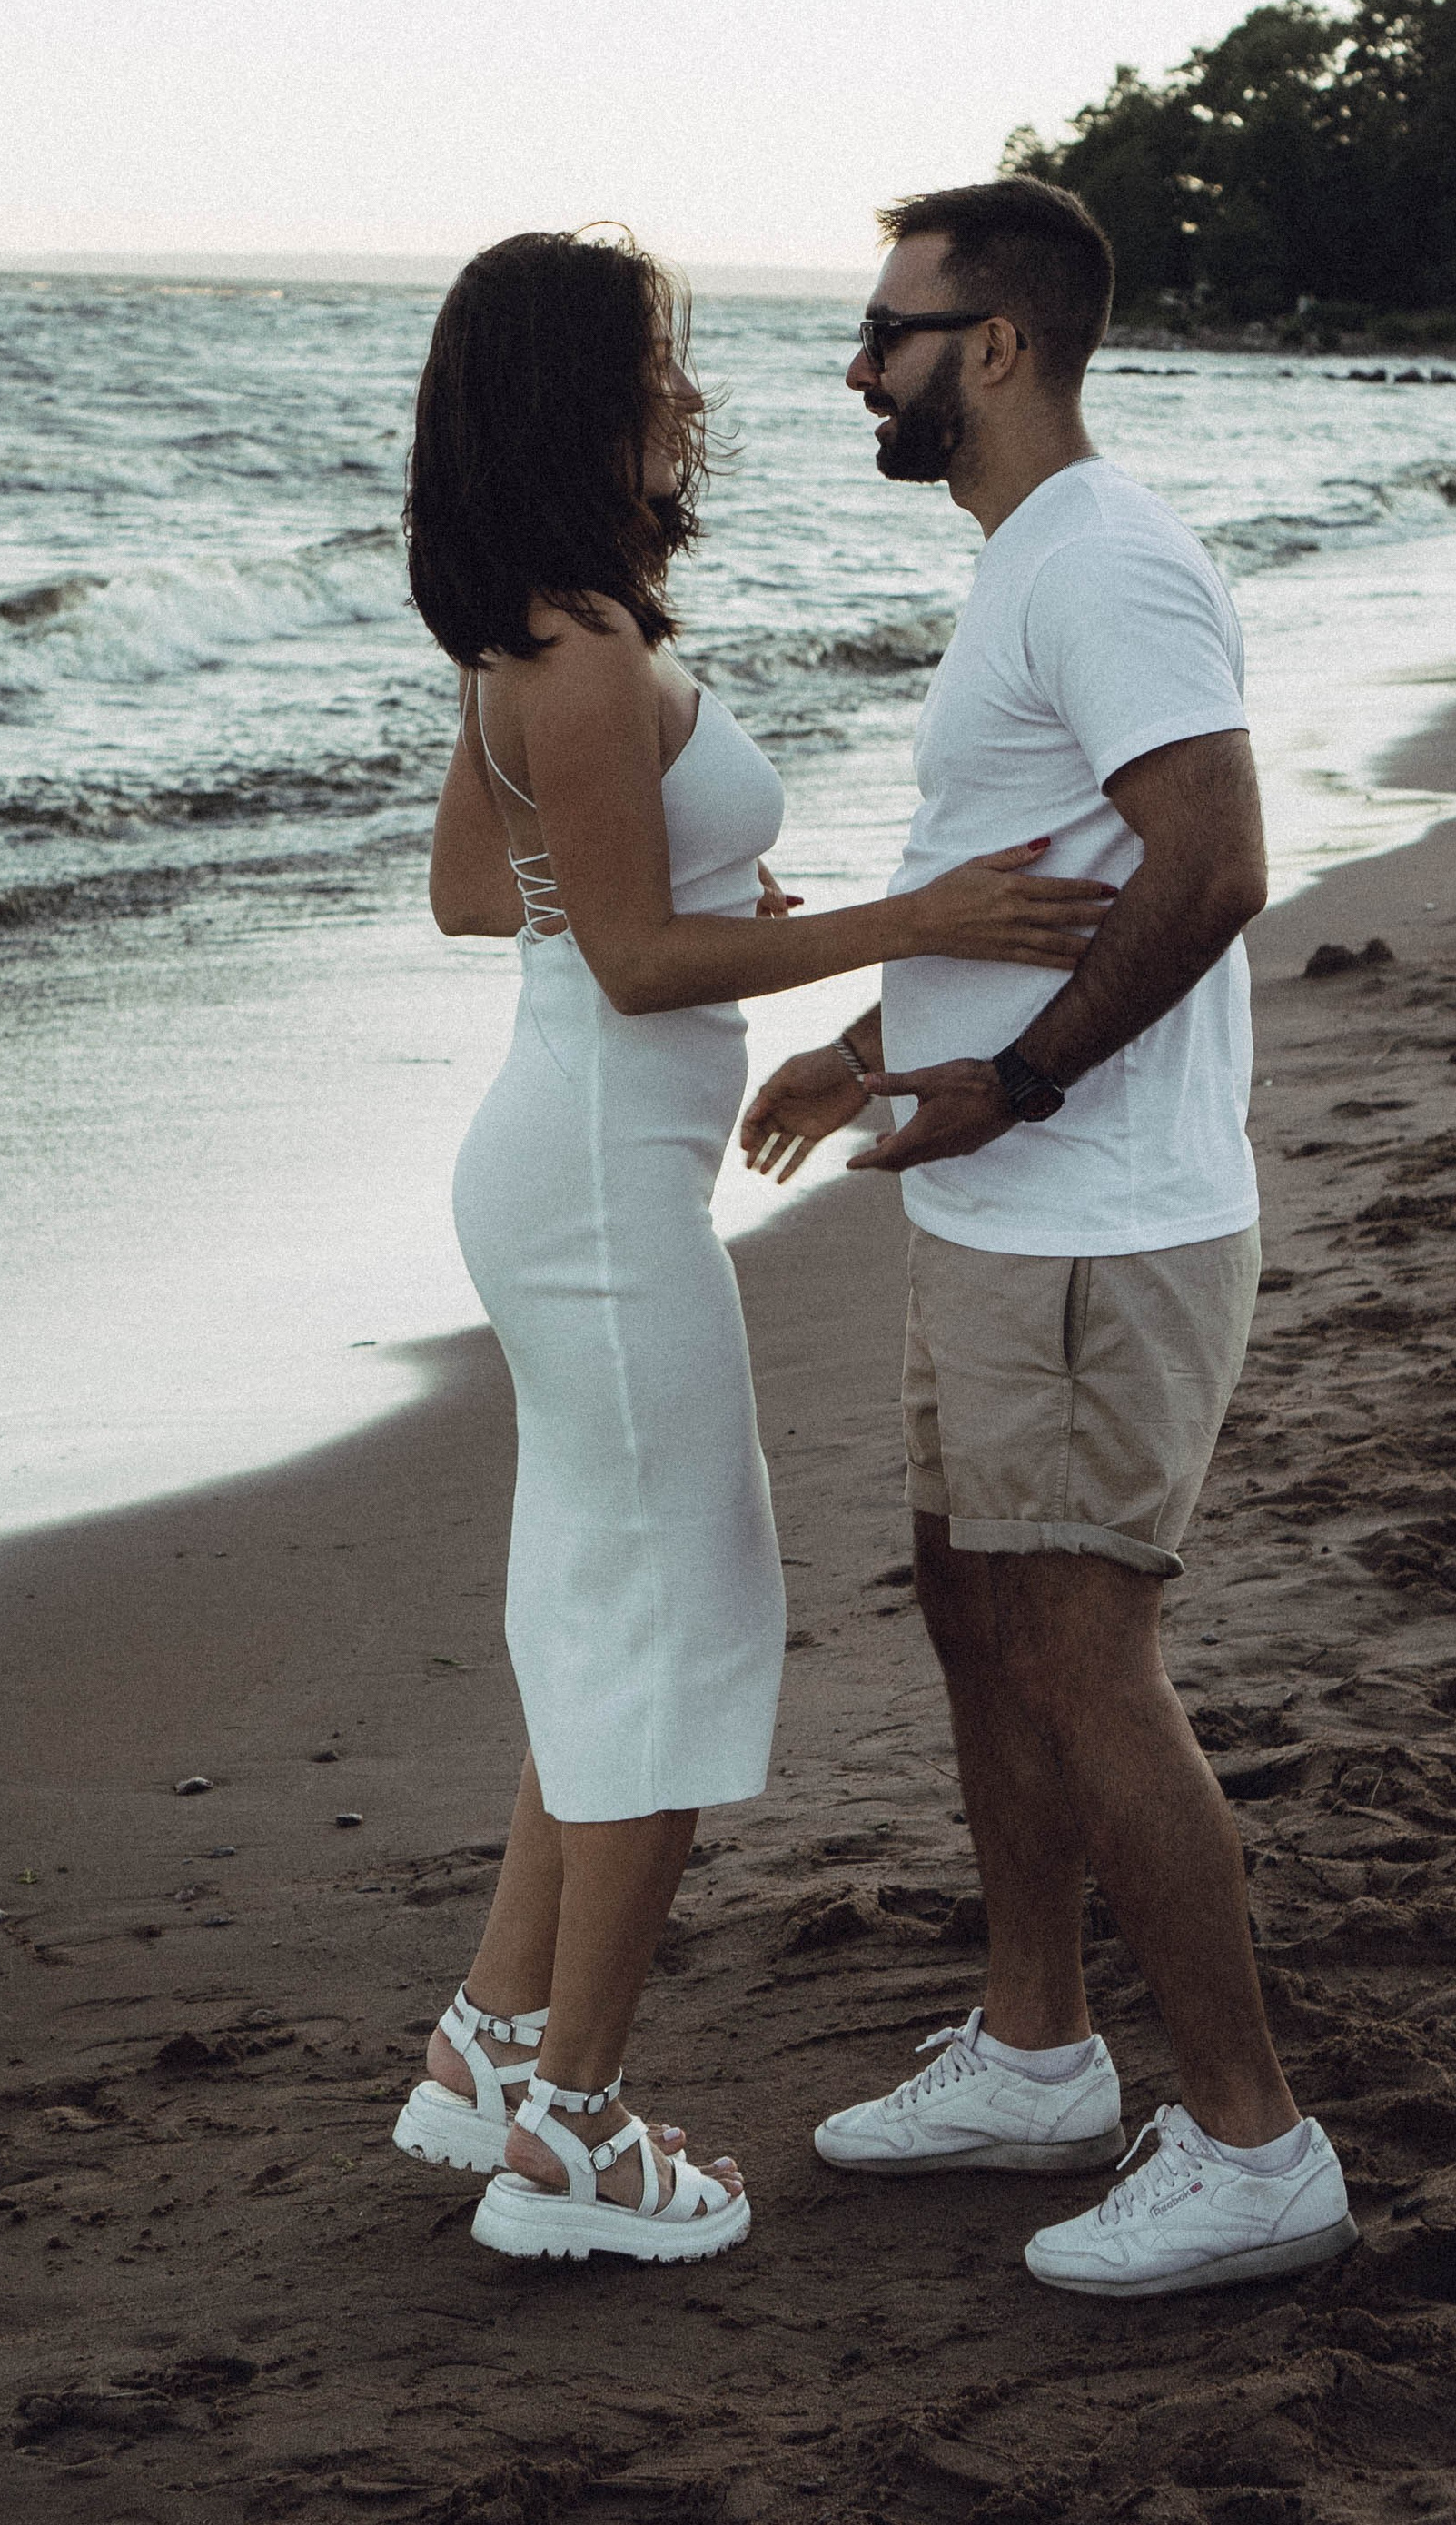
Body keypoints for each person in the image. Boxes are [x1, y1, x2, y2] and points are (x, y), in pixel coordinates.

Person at [391, 226, 1111, 2268]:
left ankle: (484, 2048)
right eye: (657, 362)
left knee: (596, 1607)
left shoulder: (531, 634)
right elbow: (623, 959)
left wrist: (706, 877)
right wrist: (910, 920)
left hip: (557, 1168)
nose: (685, 392)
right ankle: (575, 2142)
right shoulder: (585, 654)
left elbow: (484, 894)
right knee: (681, 1618)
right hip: (603, 1187)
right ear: (578, 394)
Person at [741, 177, 1360, 2298]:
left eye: (886, 333)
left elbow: (1213, 861)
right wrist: (867, 1043)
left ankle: (1253, 2141)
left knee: (1082, 1652)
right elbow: (1042, 873)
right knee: (970, 1611)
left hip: (1092, 1215)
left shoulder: (1098, 564)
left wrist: (1011, 1085)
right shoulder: (1037, 566)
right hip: (1012, 1208)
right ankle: (1030, 2049)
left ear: (990, 347)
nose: (857, 369)